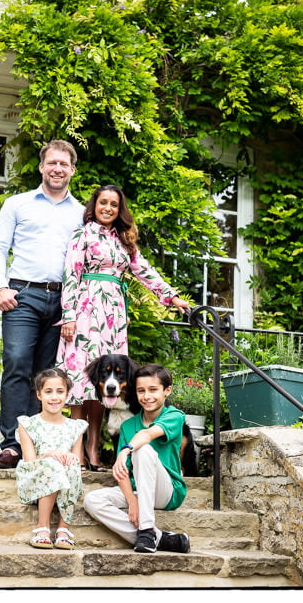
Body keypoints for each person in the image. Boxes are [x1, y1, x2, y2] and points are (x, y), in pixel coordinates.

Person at [57, 185, 190, 470]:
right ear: (94, 206)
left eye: (114, 204)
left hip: (114, 316)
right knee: (82, 384)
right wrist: (68, 315)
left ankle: (94, 452)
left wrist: (171, 296)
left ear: (120, 210)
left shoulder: (123, 240)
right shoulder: (82, 235)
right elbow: (71, 274)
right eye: (103, 202)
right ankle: (77, 452)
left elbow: (144, 271)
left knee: (105, 386)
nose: (108, 208)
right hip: (85, 310)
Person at [0, 140, 84, 469]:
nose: (57, 168)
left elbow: (83, 263)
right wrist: (0, 286)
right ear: (42, 167)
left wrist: (75, 308)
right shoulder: (18, 204)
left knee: (45, 376)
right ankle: (13, 445)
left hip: (61, 300)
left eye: (64, 164)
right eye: (51, 163)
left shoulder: (80, 213)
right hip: (21, 296)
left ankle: (37, 445)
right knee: (16, 363)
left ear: (72, 170)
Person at [83, 363, 191, 553]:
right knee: (92, 500)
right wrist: (132, 502)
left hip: (167, 491)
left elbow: (147, 435)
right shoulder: (128, 426)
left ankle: (147, 528)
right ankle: (158, 538)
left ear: (167, 391)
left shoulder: (174, 416)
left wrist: (126, 450)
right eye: (141, 391)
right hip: (138, 490)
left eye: (153, 390)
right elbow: (122, 472)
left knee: (143, 449)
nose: (146, 396)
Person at [15, 368, 88, 549]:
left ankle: (64, 529)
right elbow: (30, 463)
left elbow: (76, 459)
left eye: (60, 392)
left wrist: (69, 458)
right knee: (52, 464)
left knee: (71, 465)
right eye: (48, 392)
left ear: (67, 395)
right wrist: (48, 456)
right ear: (39, 395)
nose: (54, 397)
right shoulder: (28, 424)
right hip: (35, 480)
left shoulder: (75, 427)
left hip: (66, 483)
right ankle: (42, 527)